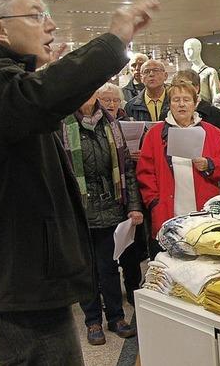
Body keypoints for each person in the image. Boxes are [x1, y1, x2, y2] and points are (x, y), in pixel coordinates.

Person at [0, 0, 159, 365]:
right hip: (16, 285)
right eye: (35, 14)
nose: (50, 25)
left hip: (19, 279)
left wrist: (45, 70)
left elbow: (33, 103)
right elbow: (36, 100)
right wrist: (115, 39)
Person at [60, 93, 143, 345]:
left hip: (110, 205)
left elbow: (126, 167)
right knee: (86, 269)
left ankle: (116, 317)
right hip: (79, 209)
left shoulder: (111, 123)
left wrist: (133, 205)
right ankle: (92, 320)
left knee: (109, 267)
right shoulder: (61, 125)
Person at [136, 82, 220, 258]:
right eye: (176, 100)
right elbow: (145, 172)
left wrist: (209, 165)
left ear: (195, 104)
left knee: (204, 260)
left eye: (187, 100)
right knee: (168, 262)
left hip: (203, 209)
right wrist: (154, 201)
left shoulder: (213, 133)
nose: (181, 104)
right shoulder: (154, 134)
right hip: (167, 209)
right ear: (169, 104)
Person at [96, 82, 149, 306]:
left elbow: (130, 168)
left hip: (126, 194)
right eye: (106, 99)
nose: (111, 103)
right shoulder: (95, 127)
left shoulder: (128, 124)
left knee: (131, 249)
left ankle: (133, 286)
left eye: (115, 100)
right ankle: (110, 299)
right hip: (102, 195)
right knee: (106, 254)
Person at [171, 70, 220, 135]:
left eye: (185, 87)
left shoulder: (214, 113)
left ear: (196, 88)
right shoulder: (167, 114)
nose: (181, 91)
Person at [182, 38, 219, 102]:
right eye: (185, 50)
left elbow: (216, 97)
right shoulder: (186, 74)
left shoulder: (210, 72)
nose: (187, 53)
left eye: (190, 49)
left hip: (206, 109)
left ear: (199, 49)